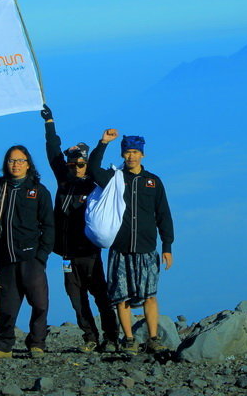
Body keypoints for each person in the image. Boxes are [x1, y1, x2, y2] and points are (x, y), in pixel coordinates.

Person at [87, 129, 174, 355]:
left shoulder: (153, 182)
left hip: (146, 248)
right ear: (123, 154)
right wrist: (103, 143)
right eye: (127, 152)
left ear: (142, 154)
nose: (131, 156)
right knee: (121, 297)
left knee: (150, 295)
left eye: (135, 152)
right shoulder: (114, 178)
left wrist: (167, 247)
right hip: (120, 248)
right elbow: (93, 169)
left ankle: (153, 338)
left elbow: (163, 214)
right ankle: (128, 339)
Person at [40, 105, 118, 353]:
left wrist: (102, 144)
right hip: (66, 254)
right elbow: (53, 154)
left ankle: (112, 337)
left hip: (89, 253)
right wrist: (49, 123)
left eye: (80, 165)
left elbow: (96, 166)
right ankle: (89, 337)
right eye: (72, 164)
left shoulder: (96, 185)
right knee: (76, 299)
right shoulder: (64, 180)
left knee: (101, 296)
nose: (75, 168)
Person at [0, 145, 54, 359]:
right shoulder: (0, 186)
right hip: (5, 256)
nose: (16, 164)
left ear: (28, 164)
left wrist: (41, 256)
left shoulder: (38, 190)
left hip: (32, 257)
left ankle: (37, 343)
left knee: (39, 303)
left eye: (20, 160)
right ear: (6, 164)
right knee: (6, 305)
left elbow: (49, 225)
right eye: (12, 161)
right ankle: (3, 346)